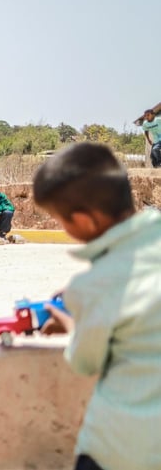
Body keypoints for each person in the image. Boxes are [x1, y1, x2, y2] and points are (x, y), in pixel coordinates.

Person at [34, 142, 161, 470]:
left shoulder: (91, 288)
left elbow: (84, 361)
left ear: (85, 221)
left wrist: (72, 319)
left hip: (120, 449)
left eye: (62, 220)